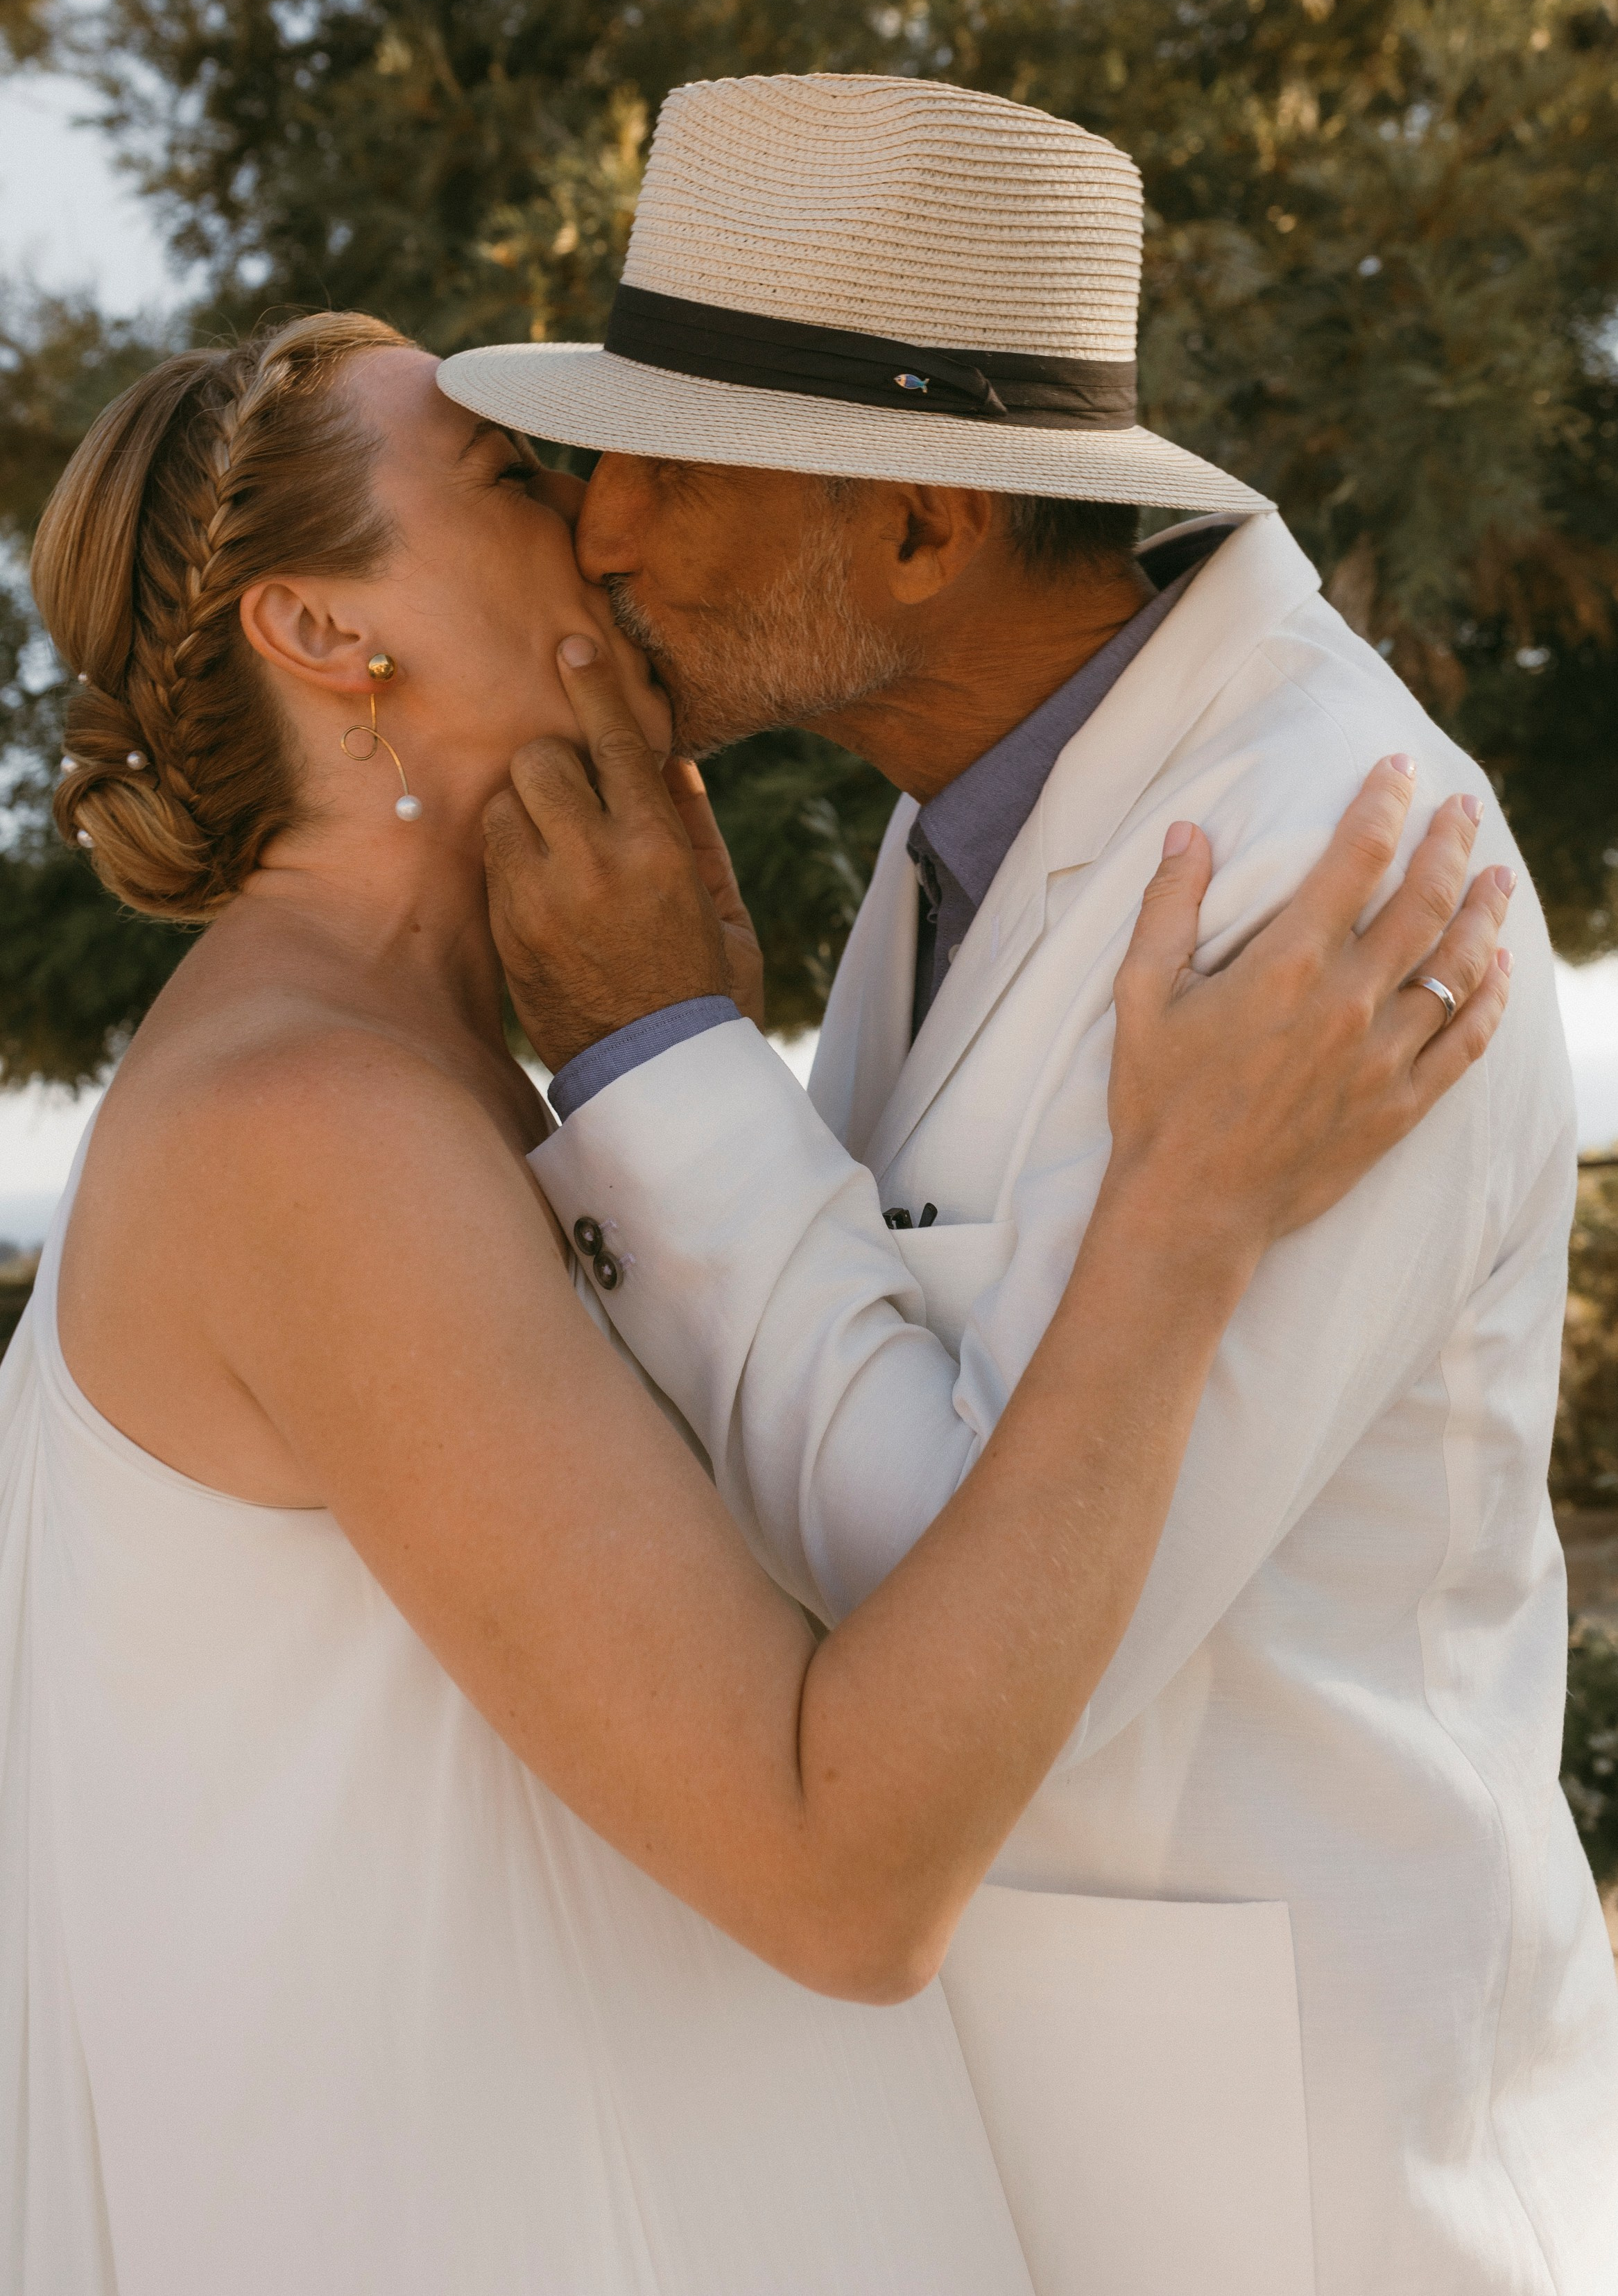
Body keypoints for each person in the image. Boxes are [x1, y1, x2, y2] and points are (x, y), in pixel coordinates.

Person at [0, 311, 1506, 2296]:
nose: (606, 521)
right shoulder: (309, 1129)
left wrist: (678, 1053)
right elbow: (843, 1869)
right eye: (517, 481)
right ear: (323, 634)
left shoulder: (442, 1079)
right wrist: (1180, 1223)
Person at [438, 72, 1618, 2295]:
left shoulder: (1323, 866)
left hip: (1303, 2214)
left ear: (917, 532)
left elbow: (980, 1627)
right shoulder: (967, 807)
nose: (597, 532)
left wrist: (659, 1053)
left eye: (671, 460)